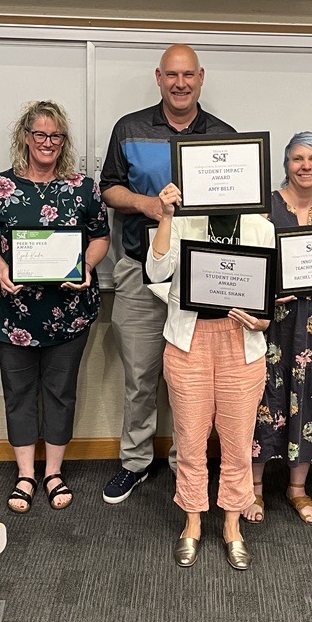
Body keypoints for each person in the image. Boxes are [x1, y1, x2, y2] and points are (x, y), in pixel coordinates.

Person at [99, 44, 235, 504]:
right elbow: (109, 190)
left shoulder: (223, 135)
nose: (180, 83)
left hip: (200, 280)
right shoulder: (130, 127)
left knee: (191, 381)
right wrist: (149, 204)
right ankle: (134, 463)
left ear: (201, 78)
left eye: (189, 75)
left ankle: (186, 465)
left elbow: (236, 204)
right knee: (140, 378)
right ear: (158, 77)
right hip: (140, 272)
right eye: (171, 75)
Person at [0, 101, 110, 513]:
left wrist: (86, 264)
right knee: (19, 392)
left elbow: (100, 236)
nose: (47, 143)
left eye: (55, 136)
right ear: (25, 138)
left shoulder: (83, 188)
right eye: (40, 135)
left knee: (61, 393)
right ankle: (26, 474)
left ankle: (54, 472)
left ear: (63, 141)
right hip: (11, 310)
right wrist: (0, 266)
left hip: (69, 311)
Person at [146, 182, 274, 570]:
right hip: (189, 341)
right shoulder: (183, 218)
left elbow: (266, 295)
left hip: (241, 342)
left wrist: (261, 320)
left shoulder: (260, 226)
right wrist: (167, 216)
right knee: (190, 439)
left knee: (238, 442)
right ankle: (193, 521)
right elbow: (156, 269)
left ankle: (233, 526)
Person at [243, 132, 312, 526]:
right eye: (297, 158)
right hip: (277, 320)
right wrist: (265, 295)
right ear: (286, 164)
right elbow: (251, 266)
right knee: (266, 395)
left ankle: (297, 488)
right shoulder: (264, 208)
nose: (306, 165)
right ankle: (254, 488)